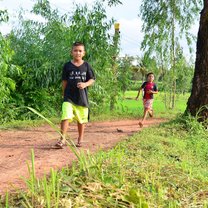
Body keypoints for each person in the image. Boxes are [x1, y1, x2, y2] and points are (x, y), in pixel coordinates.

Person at [55, 42, 95, 148]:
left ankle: (80, 139)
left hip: (82, 97)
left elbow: (92, 79)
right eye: (75, 50)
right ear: (71, 52)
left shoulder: (86, 66)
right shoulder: (67, 66)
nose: (78, 53)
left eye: (80, 51)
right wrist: (64, 95)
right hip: (69, 97)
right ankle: (62, 139)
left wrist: (85, 84)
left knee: (81, 120)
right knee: (65, 116)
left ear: (84, 53)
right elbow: (64, 81)